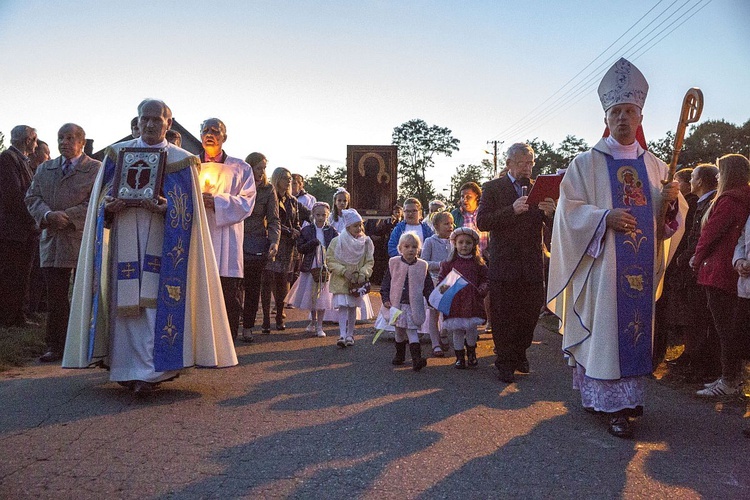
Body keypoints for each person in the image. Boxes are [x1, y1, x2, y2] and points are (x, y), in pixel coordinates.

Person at [547, 58, 685, 438]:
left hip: (638, 268)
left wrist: (671, 202)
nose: (623, 119)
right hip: (603, 268)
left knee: (635, 331)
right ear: (606, 118)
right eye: (616, 112)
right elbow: (567, 212)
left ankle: (628, 399)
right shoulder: (585, 164)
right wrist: (602, 217)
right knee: (607, 331)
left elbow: (667, 223)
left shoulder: (657, 167)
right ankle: (611, 405)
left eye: (630, 112)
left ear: (641, 117)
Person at [63, 99, 237, 393]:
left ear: (169, 124)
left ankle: (153, 371)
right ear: (137, 120)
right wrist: (109, 206)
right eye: (145, 119)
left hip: (164, 242)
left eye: (157, 119)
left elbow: (189, 211)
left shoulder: (181, 161)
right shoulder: (117, 155)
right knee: (125, 304)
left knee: (156, 303)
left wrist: (167, 207)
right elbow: (99, 203)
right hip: (124, 235)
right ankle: (125, 367)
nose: (150, 124)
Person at [476, 142, 556, 383]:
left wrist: (552, 214)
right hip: (504, 264)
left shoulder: (540, 189)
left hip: (531, 264)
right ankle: (505, 362)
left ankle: (520, 351)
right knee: (503, 316)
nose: (527, 168)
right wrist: (511, 210)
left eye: (530, 163)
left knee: (530, 314)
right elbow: (483, 222)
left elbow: (555, 230)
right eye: (521, 163)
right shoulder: (493, 188)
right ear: (509, 164)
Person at [25, 123, 100, 362]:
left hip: (80, 239)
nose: (64, 142)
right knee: (56, 296)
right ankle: (56, 345)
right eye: (61, 137)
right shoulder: (46, 168)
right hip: (52, 240)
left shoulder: (96, 169)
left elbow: (98, 200)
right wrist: (47, 215)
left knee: (85, 292)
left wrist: (67, 217)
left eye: (70, 138)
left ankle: (88, 344)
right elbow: (32, 197)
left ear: (82, 141)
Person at [691, 154, 750, 397]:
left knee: (724, 329)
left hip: (718, 267)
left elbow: (711, 233)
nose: (717, 175)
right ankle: (731, 378)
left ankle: (729, 380)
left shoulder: (729, 200)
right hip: (733, 266)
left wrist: (697, 256)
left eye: (719, 171)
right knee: (730, 328)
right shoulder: (744, 197)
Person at [198, 118, 256, 339]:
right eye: (205, 130)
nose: (210, 134)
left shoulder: (241, 168)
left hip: (227, 240)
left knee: (228, 295)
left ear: (225, 137)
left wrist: (218, 202)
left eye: (215, 131)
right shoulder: (189, 165)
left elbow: (248, 202)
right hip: (199, 234)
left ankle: (227, 343)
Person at [670, 164, 720, 381]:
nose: (690, 181)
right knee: (691, 316)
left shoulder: (709, 203)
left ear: (699, 182)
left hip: (697, 266)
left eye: (693, 177)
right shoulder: (702, 202)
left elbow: (701, 235)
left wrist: (687, 256)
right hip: (692, 266)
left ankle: (699, 364)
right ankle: (691, 356)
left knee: (700, 318)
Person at [0, 125, 38, 327]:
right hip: (13, 231)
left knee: (22, 274)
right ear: (27, 140)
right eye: (35, 139)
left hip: (22, 230)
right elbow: (14, 196)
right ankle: (9, 317)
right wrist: (34, 219)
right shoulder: (7, 159)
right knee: (12, 275)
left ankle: (17, 315)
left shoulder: (21, 161)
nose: (37, 144)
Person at [380, 232, 434, 370]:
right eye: (407, 246)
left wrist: (432, 300)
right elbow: (386, 283)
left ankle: (416, 358)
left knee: (412, 330)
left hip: (413, 306)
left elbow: (428, 286)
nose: (411, 249)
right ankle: (400, 355)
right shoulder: (394, 263)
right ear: (400, 248)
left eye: (414, 247)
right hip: (397, 305)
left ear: (419, 249)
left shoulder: (422, 266)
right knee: (399, 331)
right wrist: (385, 299)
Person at [241, 152, 280, 342]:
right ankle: (232, 324)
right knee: (232, 287)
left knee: (253, 286)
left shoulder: (268, 189)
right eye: (259, 168)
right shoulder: (237, 185)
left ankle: (247, 327)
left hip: (256, 242)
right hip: (234, 241)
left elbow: (274, 219)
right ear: (249, 167)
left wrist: (274, 241)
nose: (262, 172)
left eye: (264, 168)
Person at [437, 227, 488, 369]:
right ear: (455, 244)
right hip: (455, 302)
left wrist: (483, 288)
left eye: (468, 243)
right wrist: (442, 291)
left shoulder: (478, 264)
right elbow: (442, 280)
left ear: (473, 245)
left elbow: (486, 278)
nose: (464, 245)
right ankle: (459, 357)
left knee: (471, 328)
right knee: (457, 329)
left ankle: (471, 354)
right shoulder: (448, 264)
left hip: (472, 301)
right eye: (461, 242)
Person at [286, 202, 337, 337]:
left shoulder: (331, 231)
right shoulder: (307, 230)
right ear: (313, 215)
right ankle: (313, 320)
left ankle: (320, 325)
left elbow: (336, 247)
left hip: (325, 266)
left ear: (328, 215)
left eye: (324, 215)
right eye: (318, 215)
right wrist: (312, 243)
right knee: (311, 295)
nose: (321, 218)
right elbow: (300, 248)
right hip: (310, 266)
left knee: (323, 296)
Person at [327, 209, 373, 348]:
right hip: (342, 280)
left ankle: (350, 335)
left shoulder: (366, 242)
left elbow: (369, 261)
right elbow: (330, 259)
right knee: (342, 307)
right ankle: (341, 334)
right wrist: (343, 271)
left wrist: (363, 273)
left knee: (353, 307)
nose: (359, 228)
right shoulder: (337, 241)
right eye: (355, 225)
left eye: (360, 225)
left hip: (357, 282)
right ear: (347, 227)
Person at [261, 167, 301, 332]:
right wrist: (288, 230)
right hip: (271, 242)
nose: (289, 180)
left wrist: (297, 229)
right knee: (267, 281)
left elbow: (297, 220)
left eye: (290, 178)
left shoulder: (293, 201)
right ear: (277, 179)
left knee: (283, 282)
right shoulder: (270, 197)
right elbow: (269, 220)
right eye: (285, 178)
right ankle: (265, 319)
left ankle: (279, 314)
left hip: (288, 246)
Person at [421, 211, 454, 356]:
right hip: (435, 281)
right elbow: (424, 262)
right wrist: (441, 264)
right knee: (434, 312)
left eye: (451, 223)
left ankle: (444, 333)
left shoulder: (454, 241)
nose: (450, 226)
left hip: (451, 281)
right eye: (446, 224)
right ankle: (435, 344)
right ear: (436, 226)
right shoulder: (430, 241)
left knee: (448, 311)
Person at [451, 182, 489, 258]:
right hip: (462, 258)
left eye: (468, 197)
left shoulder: (484, 212)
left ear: (477, 197)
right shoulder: (455, 214)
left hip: (484, 258)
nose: (464, 200)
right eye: (462, 196)